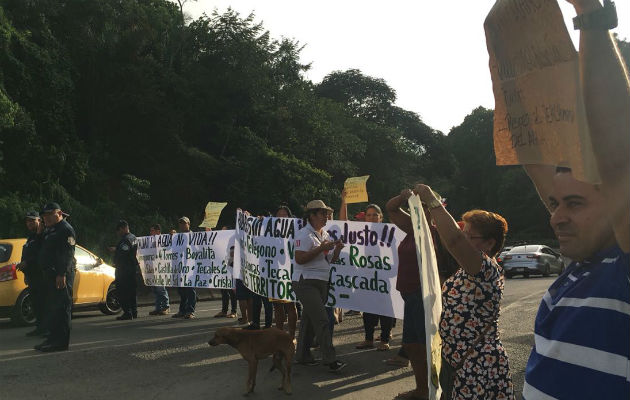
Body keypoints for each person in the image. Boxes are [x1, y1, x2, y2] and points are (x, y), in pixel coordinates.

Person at [521, 1, 630, 397]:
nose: (556, 218)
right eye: (555, 204)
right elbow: (534, 157)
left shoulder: (624, 270)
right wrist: (516, 56)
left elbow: (617, 158)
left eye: (576, 204)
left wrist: (591, 19)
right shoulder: (580, 266)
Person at [415, 185, 514, 400]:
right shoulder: (468, 271)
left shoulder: (486, 269)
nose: (463, 238)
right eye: (463, 232)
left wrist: (433, 201)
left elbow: (454, 241)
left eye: (470, 236)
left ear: (489, 243)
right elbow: (449, 240)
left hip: (478, 366)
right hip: (457, 362)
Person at [385, 190, 430, 399]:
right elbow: (391, 207)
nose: (417, 211)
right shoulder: (413, 228)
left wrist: (428, 199)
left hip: (424, 296)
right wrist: (404, 197)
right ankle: (422, 389)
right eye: (415, 208)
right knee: (412, 345)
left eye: (421, 207)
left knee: (426, 346)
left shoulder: (434, 233)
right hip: (410, 296)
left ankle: (435, 389)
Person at [293, 200, 346, 372]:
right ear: (312, 215)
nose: (327, 217)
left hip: (321, 281)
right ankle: (330, 360)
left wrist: (337, 249)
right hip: (305, 282)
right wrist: (320, 248)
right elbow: (300, 259)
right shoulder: (303, 234)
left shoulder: (324, 234)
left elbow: (330, 259)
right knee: (323, 320)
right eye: (323, 214)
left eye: (328, 214)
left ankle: (302, 356)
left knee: (309, 321)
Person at [34, 202, 76, 352]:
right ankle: (52, 338)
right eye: (44, 216)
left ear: (59, 213)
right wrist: (39, 232)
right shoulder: (49, 230)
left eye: (49, 215)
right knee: (52, 308)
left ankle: (61, 342)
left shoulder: (65, 229)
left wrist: (61, 273)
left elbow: (67, 253)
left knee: (62, 307)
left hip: (61, 274)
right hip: (50, 274)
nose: (46, 218)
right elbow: (41, 249)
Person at [271, 206, 299, 340]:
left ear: (289, 217)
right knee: (277, 307)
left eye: (284, 215)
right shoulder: (269, 231)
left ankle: (292, 336)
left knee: (290, 305)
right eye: (279, 215)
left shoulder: (296, 230)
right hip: (274, 273)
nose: (281, 218)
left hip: (289, 273)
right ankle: (279, 336)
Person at [17, 211, 46, 336]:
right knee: (36, 304)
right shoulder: (31, 237)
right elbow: (28, 254)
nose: (29, 223)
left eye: (32, 220)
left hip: (41, 275)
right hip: (32, 276)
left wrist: (27, 263)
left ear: (39, 221)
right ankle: (39, 328)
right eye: (27, 221)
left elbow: (41, 255)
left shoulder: (43, 236)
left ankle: (46, 329)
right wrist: (26, 274)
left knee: (43, 303)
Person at [111, 220, 140, 320]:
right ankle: (134, 312)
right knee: (132, 292)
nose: (118, 233)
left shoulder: (126, 240)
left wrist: (115, 261)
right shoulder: (134, 237)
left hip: (124, 269)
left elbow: (123, 254)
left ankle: (127, 312)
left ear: (123, 228)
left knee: (122, 291)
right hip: (132, 268)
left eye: (119, 230)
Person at [172, 217, 197, 319]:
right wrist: (171, 237)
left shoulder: (194, 236)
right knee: (181, 290)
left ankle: (190, 311)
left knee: (190, 289)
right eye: (181, 223)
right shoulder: (177, 237)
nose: (182, 225)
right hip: (180, 267)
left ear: (189, 224)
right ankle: (182, 310)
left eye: (184, 223)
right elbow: (170, 249)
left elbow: (198, 250)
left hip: (190, 267)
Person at [148, 224, 170, 316]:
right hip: (152, 267)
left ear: (158, 231)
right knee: (155, 289)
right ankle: (158, 308)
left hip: (161, 268)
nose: (150, 233)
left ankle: (166, 307)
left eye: (152, 230)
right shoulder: (150, 241)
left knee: (161, 288)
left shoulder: (163, 240)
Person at [215, 246, 237, 319]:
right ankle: (224, 311)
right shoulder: (227, 258)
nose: (231, 253)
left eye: (233, 251)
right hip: (225, 278)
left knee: (232, 294)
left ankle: (234, 312)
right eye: (231, 251)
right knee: (224, 293)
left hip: (232, 279)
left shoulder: (237, 260)